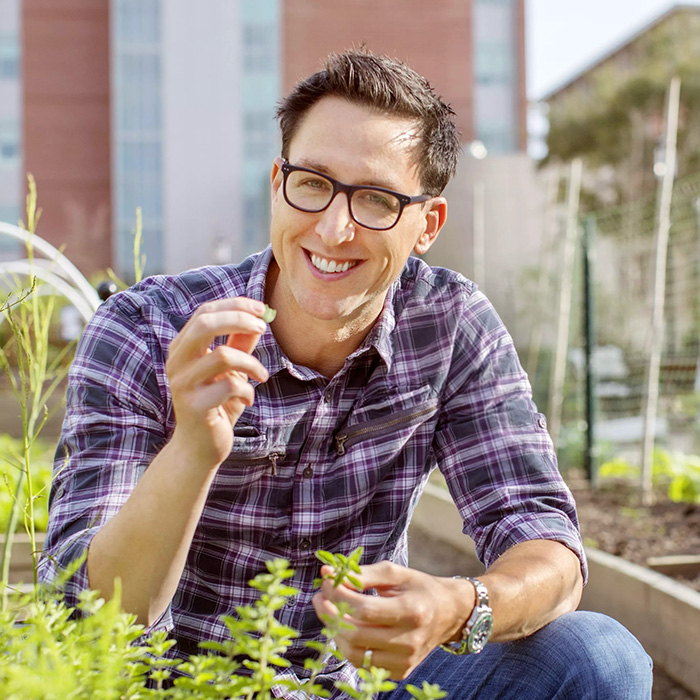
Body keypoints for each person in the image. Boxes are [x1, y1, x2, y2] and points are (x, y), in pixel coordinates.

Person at [40, 50, 652, 699]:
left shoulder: (448, 324)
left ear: (427, 224)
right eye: (312, 184)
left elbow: (547, 543)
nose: (334, 230)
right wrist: (192, 449)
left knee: (600, 657)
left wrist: (458, 606)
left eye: (377, 200)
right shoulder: (147, 328)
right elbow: (90, 618)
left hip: (357, 683)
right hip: (182, 685)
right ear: (277, 183)